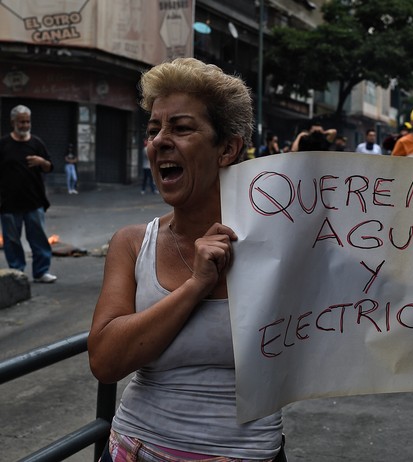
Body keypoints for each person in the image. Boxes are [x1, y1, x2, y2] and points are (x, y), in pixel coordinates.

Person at [87, 58, 285, 461]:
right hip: (135, 450)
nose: (159, 140)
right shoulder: (131, 243)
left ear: (227, 148)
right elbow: (106, 361)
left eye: (180, 128)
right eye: (153, 129)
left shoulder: (283, 246)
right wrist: (196, 286)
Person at [0, 105, 57, 283]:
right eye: (21, 122)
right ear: (13, 122)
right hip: (8, 203)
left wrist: (41, 161)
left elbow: (49, 167)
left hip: (34, 201)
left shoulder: (36, 143)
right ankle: (17, 274)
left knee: (39, 239)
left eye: (27, 121)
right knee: (12, 242)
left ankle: (41, 272)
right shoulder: (3, 144)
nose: (25, 125)